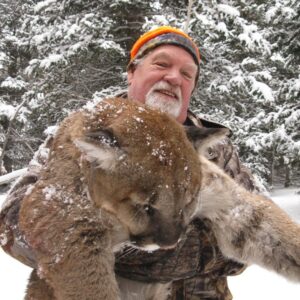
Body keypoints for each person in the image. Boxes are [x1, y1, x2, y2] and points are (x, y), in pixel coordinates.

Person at [0, 26, 256, 299]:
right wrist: (100, 243)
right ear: (132, 72)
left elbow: (248, 244)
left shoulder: (216, 149)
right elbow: (10, 227)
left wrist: (167, 248)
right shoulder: (85, 135)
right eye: (161, 64)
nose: (173, 77)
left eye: (187, 74)